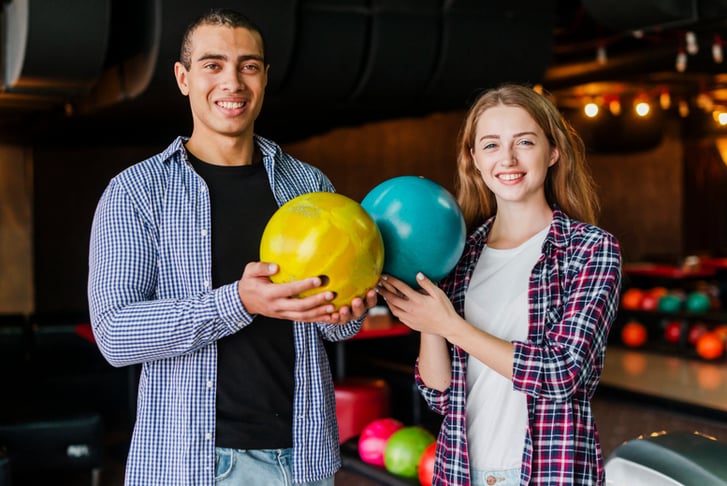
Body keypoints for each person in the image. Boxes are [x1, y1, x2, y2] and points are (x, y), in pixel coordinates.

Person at [87, 8, 377, 486]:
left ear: (264, 77)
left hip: (303, 459)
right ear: (183, 78)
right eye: (213, 65)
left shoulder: (309, 187)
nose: (233, 82)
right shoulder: (136, 192)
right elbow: (115, 335)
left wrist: (346, 313)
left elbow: (336, 330)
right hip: (190, 463)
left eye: (248, 65)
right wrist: (238, 301)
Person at [377, 84, 622, 485]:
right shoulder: (461, 253)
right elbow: (439, 394)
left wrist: (450, 325)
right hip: (461, 470)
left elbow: (564, 373)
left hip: (549, 473)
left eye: (524, 142)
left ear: (553, 150)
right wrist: (427, 321)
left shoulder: (590, 250)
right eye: (490, 145)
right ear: (474, 159)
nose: (507, 158)